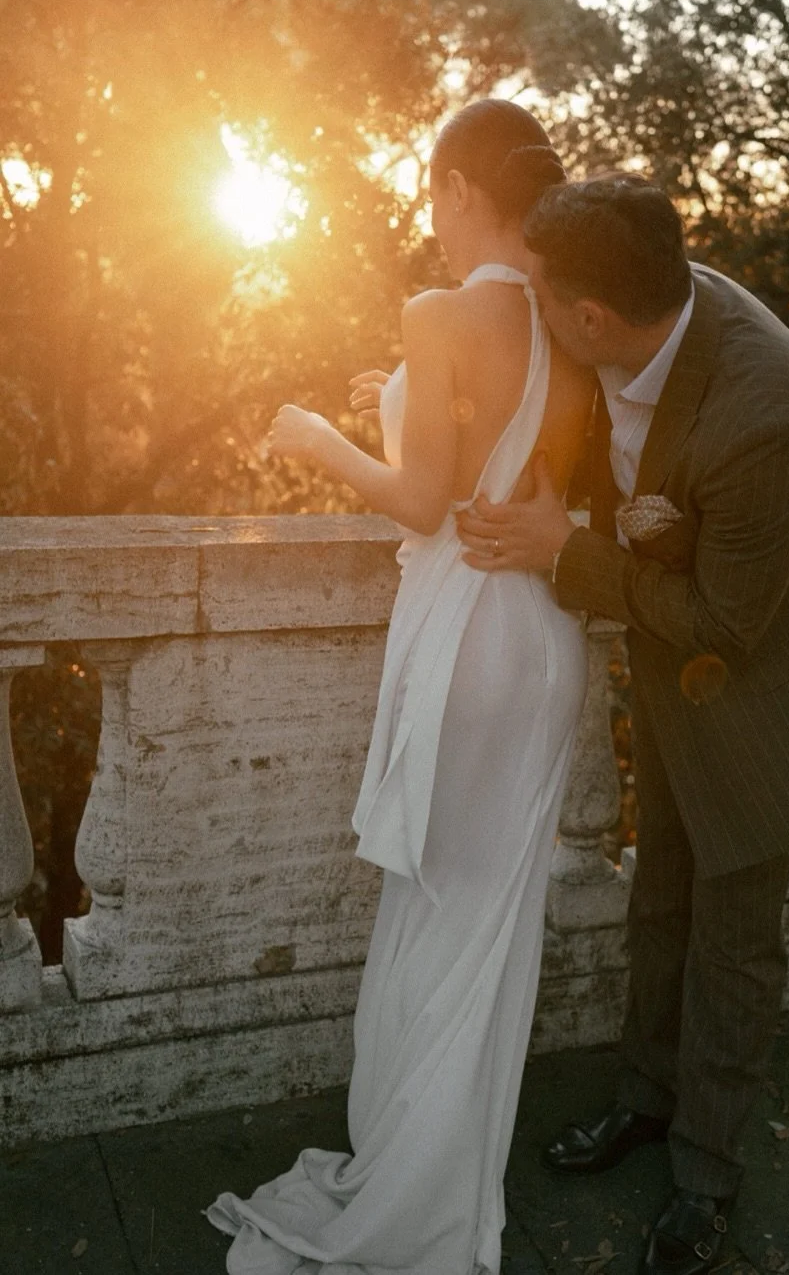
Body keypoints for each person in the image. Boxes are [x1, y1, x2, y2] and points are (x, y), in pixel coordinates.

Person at [456, 174, 789, 1275]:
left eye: (545, 302)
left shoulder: (770, 413)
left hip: (757, 699)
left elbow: (724, 624)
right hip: (667, 677)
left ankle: (706, 1177)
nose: (537, 318)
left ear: (592, 318)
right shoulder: (635, 317)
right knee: (659, 906)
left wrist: (565, 551)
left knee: (734, 951)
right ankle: (645, 1104)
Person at [205, 100, 596, 1275]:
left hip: (467, 634)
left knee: (434, 903)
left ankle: (409, 1193)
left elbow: (426, 500)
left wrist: (325, 438)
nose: (431, 226)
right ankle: (451, 1175)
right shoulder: (572, 323)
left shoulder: (442, 310)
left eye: (434, 199)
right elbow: (496, 458)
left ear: (458, 189)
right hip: (543, 637)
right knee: (489, 921)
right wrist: (401, 396)